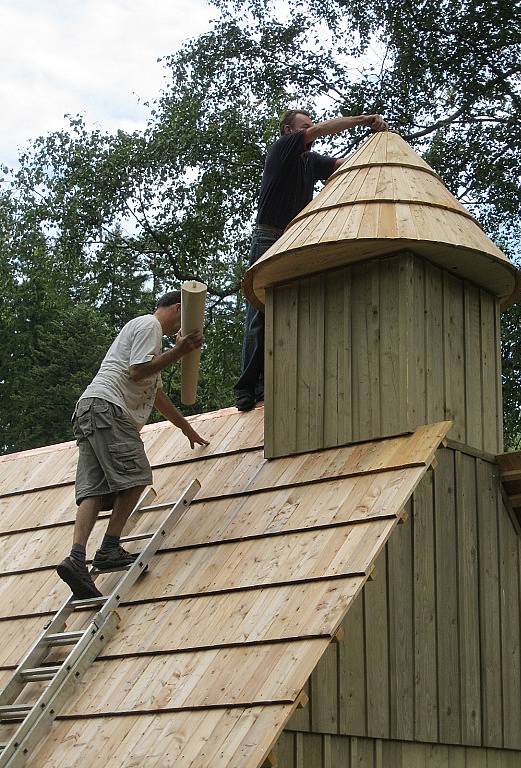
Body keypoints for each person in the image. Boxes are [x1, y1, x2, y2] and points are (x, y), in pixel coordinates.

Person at [57, 290, 209, 599]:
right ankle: (110, 547)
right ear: (178, 308)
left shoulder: (148, 340)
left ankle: (76, 559)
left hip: (91, 410)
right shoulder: (148, 325)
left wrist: (186, 429)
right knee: (137, 475)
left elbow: (156, 396)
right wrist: (179, 351)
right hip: (109, 411)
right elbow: (137, 370)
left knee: (94, 491)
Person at [234, 109, 388, 411]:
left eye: (311, 125)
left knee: (288, 306)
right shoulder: (283, 149)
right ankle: (246, 387)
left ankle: (269, 384)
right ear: (288, 131)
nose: (311, 130)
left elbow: (343, 166)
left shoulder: (310, 162)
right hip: (268, 236)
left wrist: (379, 147)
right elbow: (324, 130)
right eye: (305, 127)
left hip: (293, 236)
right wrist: (364, 120)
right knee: (259, 311)